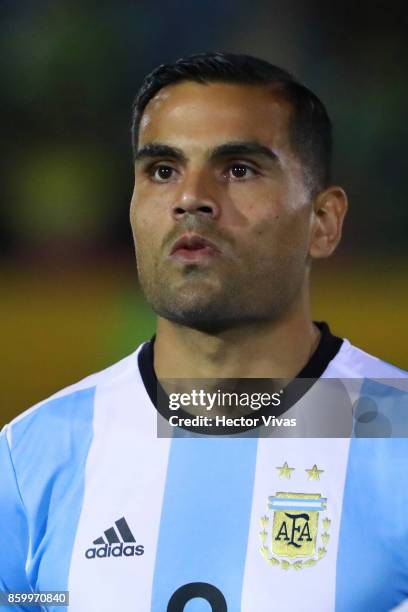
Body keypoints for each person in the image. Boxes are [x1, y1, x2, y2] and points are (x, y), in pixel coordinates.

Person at [1, 52, 407, 612]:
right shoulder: (31, 458)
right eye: (162, 171)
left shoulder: (398, 436)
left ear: (323, 221)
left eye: (239, 169)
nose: (191, 197)